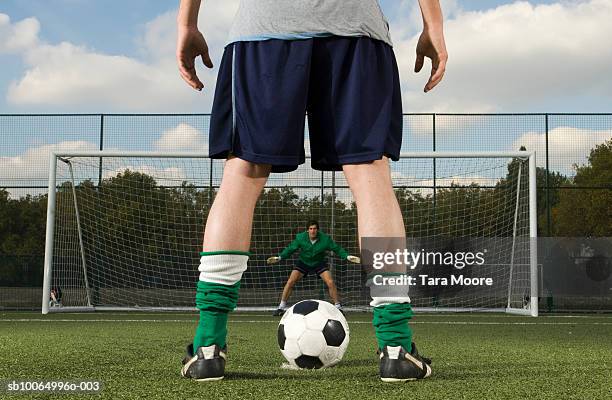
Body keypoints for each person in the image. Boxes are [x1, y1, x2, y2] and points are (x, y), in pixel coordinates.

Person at [177, 0, 447, 382]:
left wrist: (186, 22)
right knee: (370, 174)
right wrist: (433, 22)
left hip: (263, 33)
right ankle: (396, 347)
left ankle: (208, 347)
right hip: (356, 32)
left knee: (243, 171)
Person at [266, 220, 360, 316]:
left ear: (318, 230)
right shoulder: (300, 238)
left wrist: (347, 256)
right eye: (310, 229)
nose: (313, 231)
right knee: (290, 281)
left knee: (330, 282)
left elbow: (337, 248)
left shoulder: (325, 239)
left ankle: (338, 308)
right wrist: (280, 257)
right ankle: (281, 308)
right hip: (304, 262)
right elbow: (290, 248)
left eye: (315, 228)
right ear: (307, 230)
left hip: (319, 263)